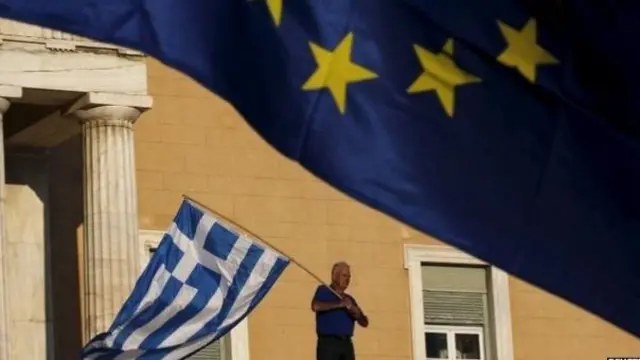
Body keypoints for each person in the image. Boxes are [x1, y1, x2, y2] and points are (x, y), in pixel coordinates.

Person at [311, 261, 369, 360]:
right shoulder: (324, 290)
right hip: (329, 343)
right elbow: (316, 306)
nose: (347, 279)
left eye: (349, 276)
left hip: (346, 344)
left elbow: (364, 323)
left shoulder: (349, 299)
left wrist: (357, 313)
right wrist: (339, 304)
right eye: (344, 275)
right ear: (334, 276)